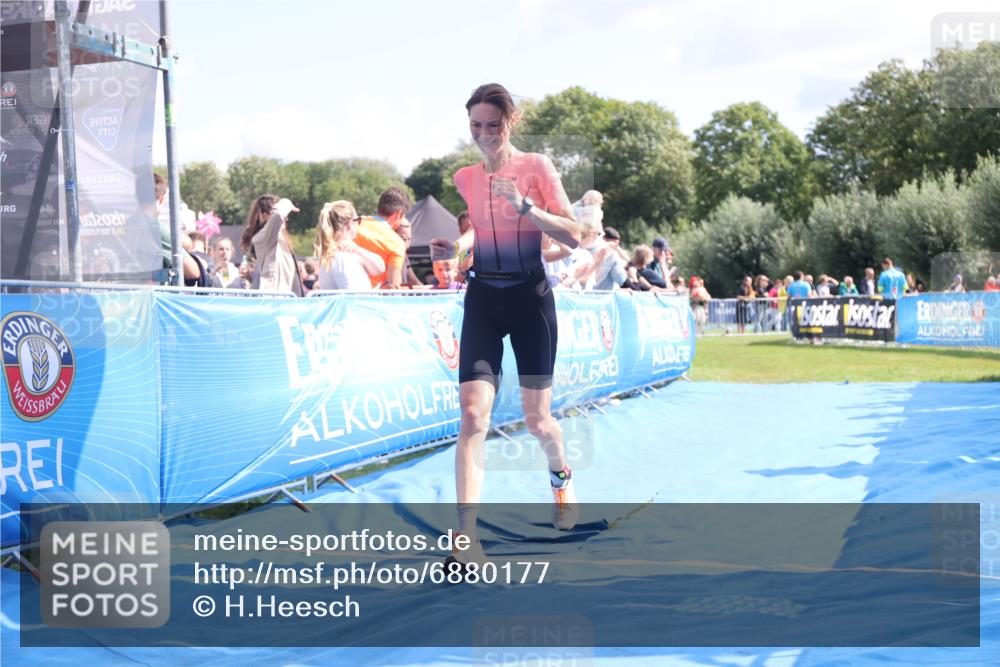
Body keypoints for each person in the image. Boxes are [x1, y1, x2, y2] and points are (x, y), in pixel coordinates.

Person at [429, 83, 581, 565]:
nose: (484, 135)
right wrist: (453, 255)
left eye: (492, 125)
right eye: (475, 126)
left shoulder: (536, 167)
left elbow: (575, 236)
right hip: (482, 299)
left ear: (510, 122)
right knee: (473, 415)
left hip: (530, 298)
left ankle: (561, 479)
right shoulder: (464, 178)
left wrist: (526, 208)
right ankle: (466, 534)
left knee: (539, 421)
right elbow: (479, 233)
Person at [314, 200, 386, 291]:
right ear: (349, 224)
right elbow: (353, 296)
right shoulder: (342, 257)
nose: (359, 224)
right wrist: (372, 294)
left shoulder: (339, 253)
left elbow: (379, 268)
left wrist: (358, 250)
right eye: (357, 220)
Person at [240, 194, 303, 294]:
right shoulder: (264, 237)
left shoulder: (277, 240)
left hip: (284, 301)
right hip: (276, 302)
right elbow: (278, 215)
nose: (286, 219)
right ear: (264, 216)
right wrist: (286, 202)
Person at [355, 187, 411, 289]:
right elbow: (393, 286)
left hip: (342, 296)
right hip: (371, 300)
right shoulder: (397, 243)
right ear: (398, 214)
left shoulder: (354, 224)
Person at [394, 217, 423, 287]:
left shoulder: (404, 257)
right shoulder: (387, 255)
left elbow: (415, 281)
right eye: (403, 238)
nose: (407, 245)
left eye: (409, 238)